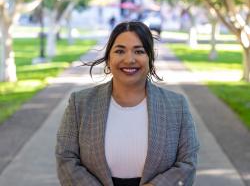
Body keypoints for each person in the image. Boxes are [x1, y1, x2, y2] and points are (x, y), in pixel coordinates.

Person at [55, 21, 199, 186]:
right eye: (120, 51)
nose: (129, 59)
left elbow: (188, 163)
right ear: (109, 58)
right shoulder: (79, 103)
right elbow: (66, 158)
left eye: (139, 51)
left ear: (150, 58)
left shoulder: (177, 106)